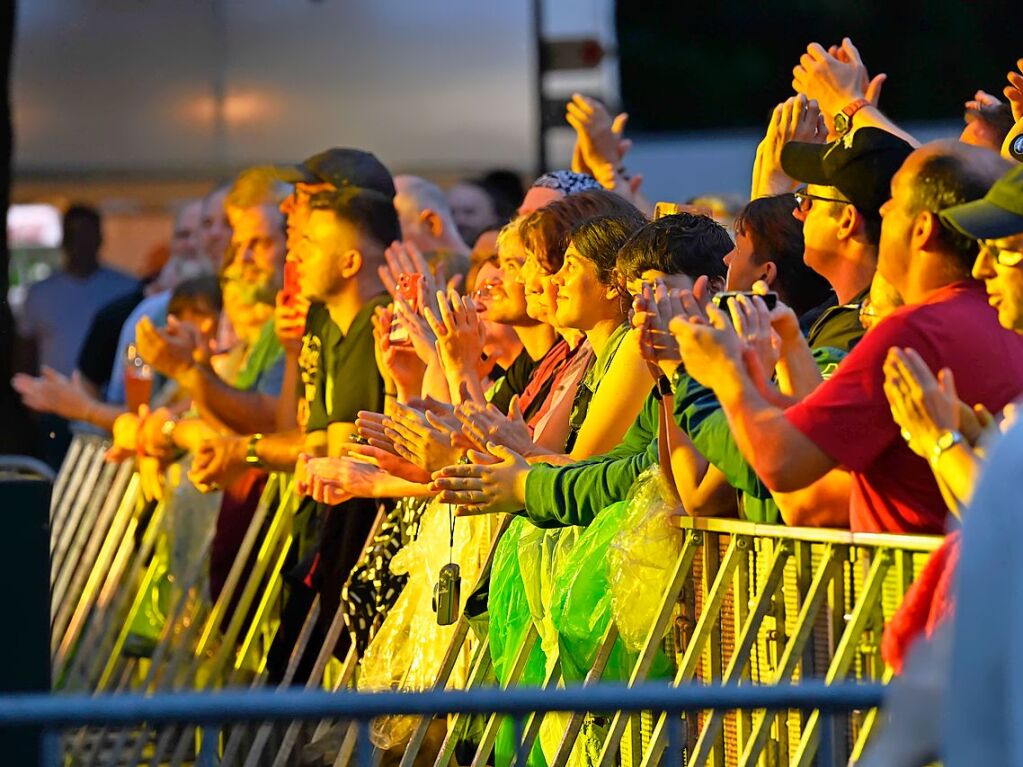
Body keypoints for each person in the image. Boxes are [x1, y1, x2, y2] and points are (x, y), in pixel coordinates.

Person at [668, 141, 1022, 535]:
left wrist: (721, 375)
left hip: (913, 588)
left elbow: (785, 465)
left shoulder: (914, 332)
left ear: (922, 228)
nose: (883, 210)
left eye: (895, 199)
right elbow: (823, 438)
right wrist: (787, 351)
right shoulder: (1004, 315)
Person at [17, 204, 137, 378]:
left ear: (100, 239)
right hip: (51, 400)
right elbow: (26, 354)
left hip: (108, 401)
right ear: (64, 240)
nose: (81, 243)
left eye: (87, 235)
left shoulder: (126, 289)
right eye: (74, 235)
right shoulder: (39, 293)